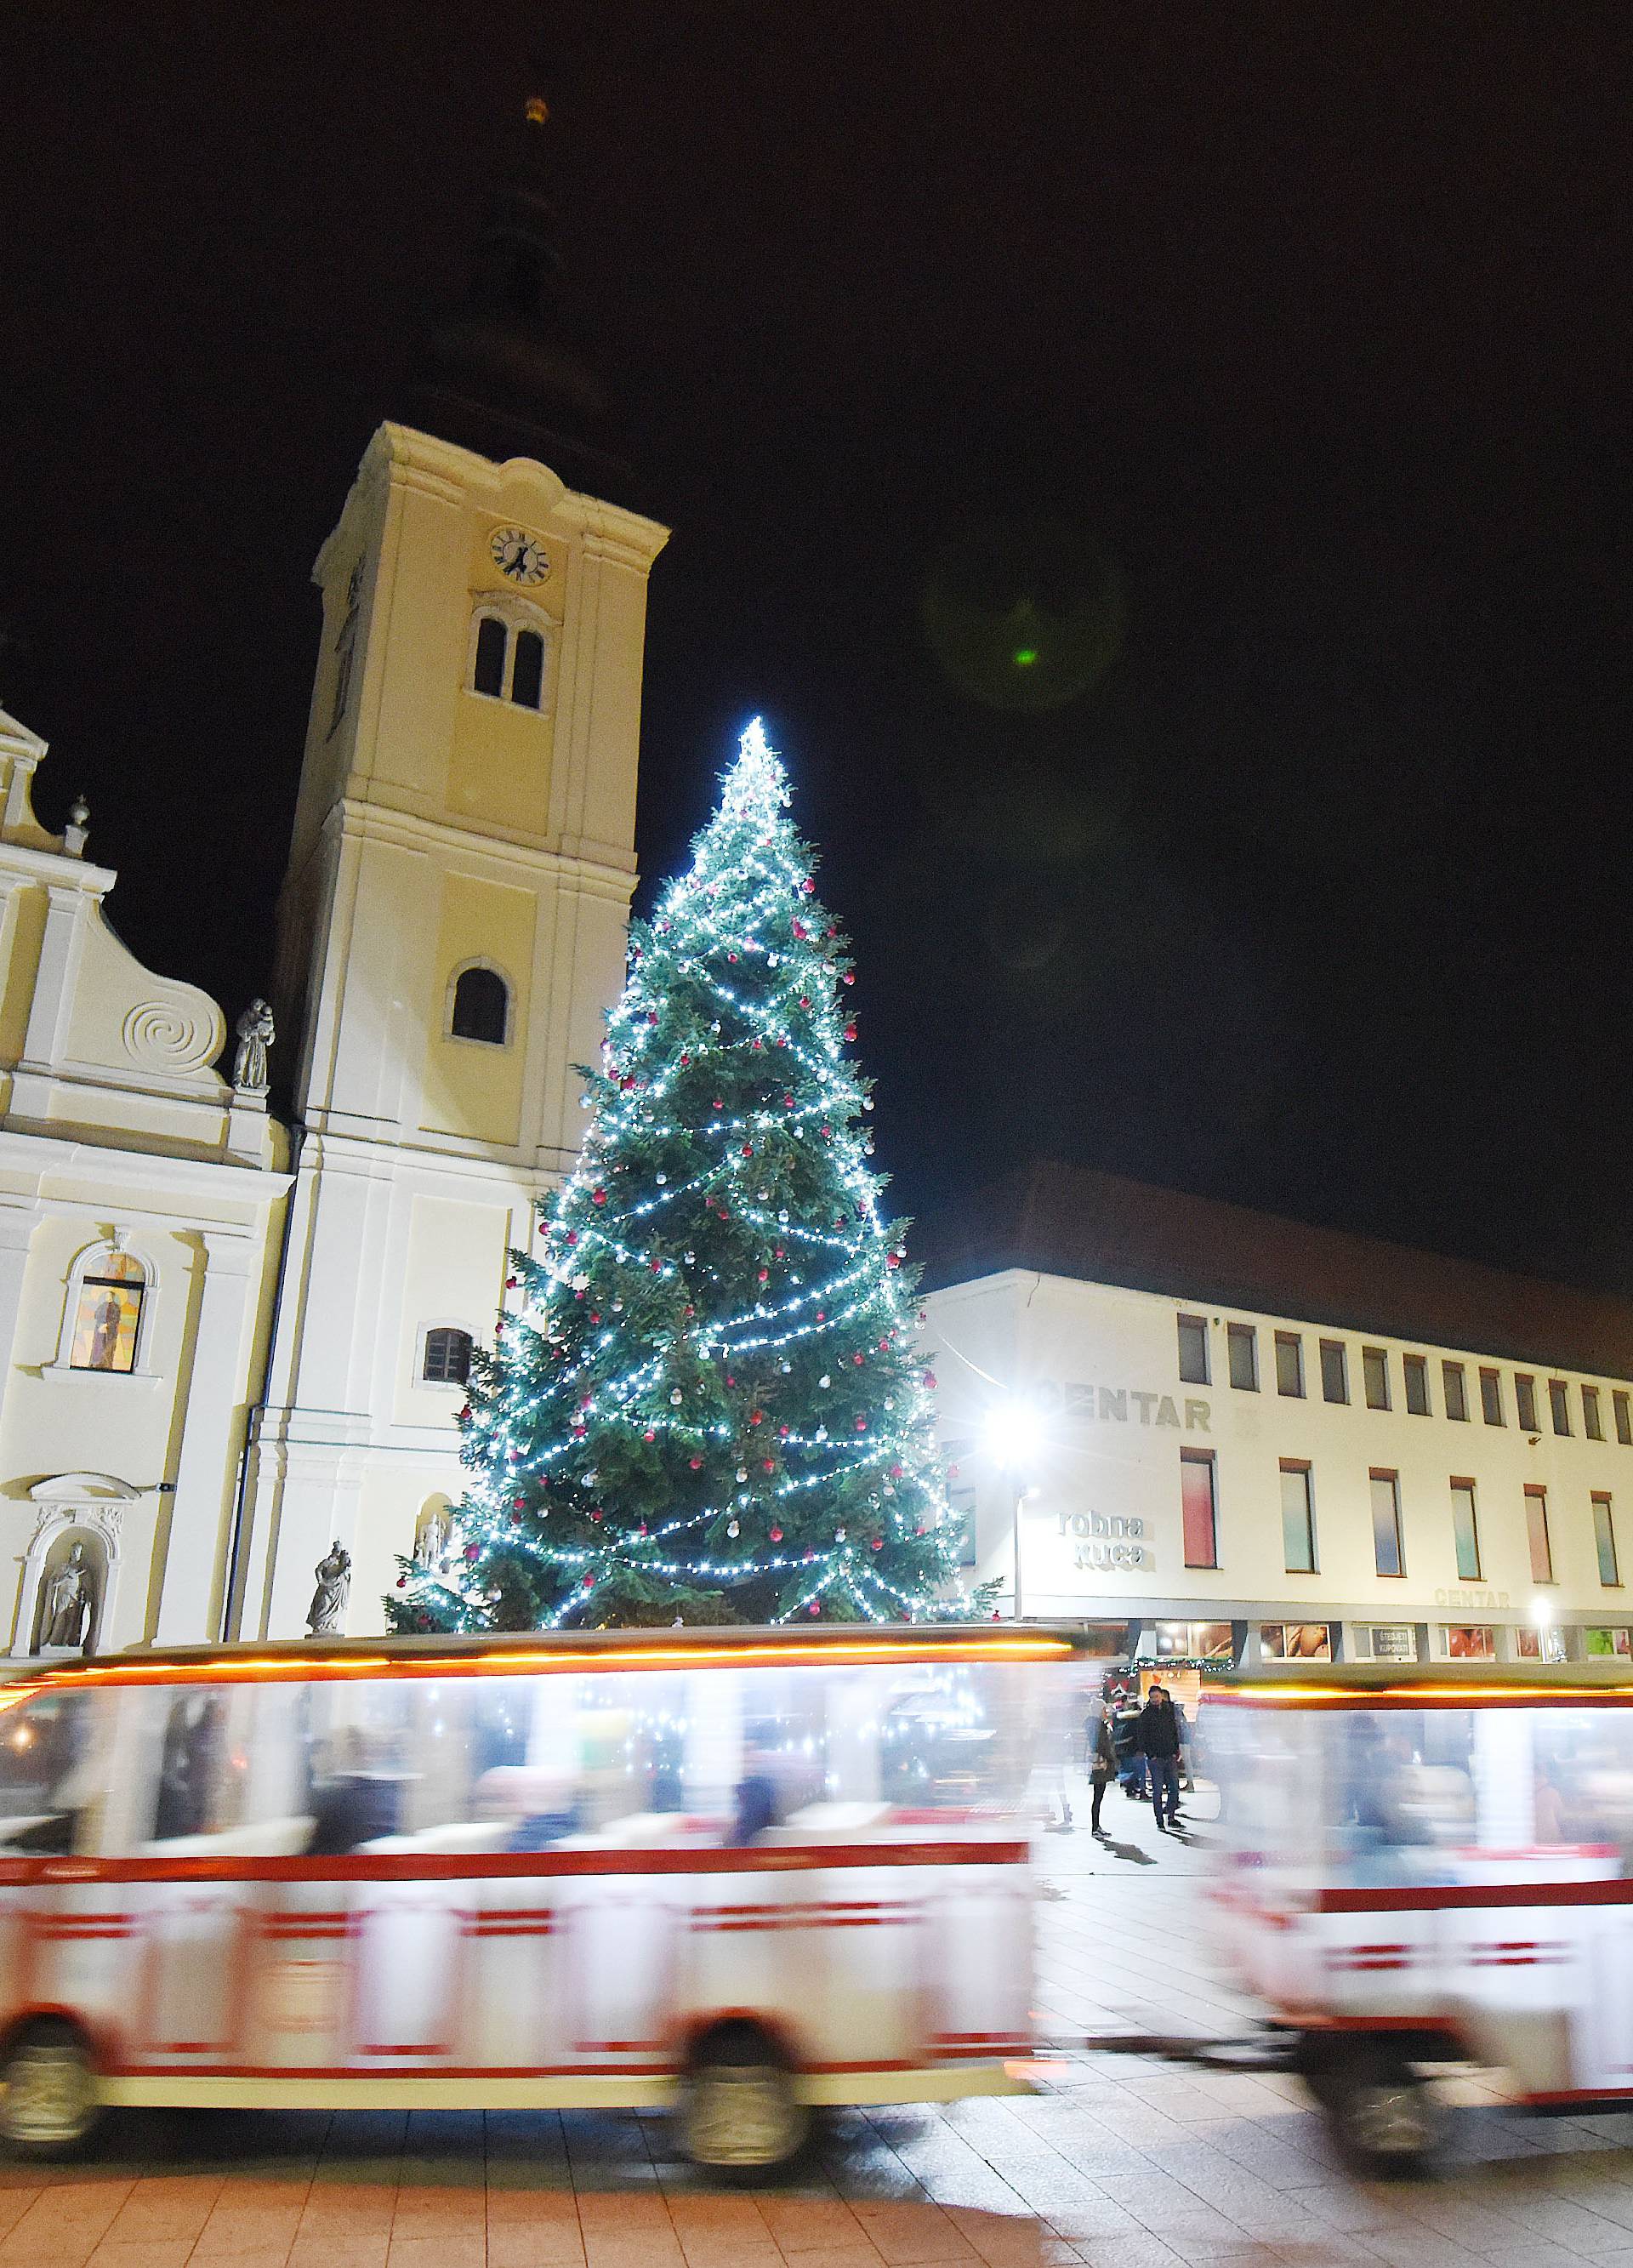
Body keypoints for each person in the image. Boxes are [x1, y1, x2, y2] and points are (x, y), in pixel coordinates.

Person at [1135, 1681, 1186, 1834]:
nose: (1155, 1700)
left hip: (1169, 1756)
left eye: (1157, 1697)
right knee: (1157, 1790)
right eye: (1153, 1698)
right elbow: (1142, 1737)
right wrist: (1150, 1754)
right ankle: (1159, 1820)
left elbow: (1174, 1731)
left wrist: (1177, 1749)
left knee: (1174, 1788)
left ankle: (1171, 1816)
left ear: (1161, 1696)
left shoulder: (1169, 1711)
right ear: (1149, 1699)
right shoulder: (1146, 1715)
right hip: (1156, 1758)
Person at [1088, 1706, 1117, 1837]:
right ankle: (1095, 1827)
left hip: (1101, 1761)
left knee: (1098, 1796)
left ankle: (1096, 1826)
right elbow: (1101, 1744)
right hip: (1101, 1763)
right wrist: (1107, 1758)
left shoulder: (1097, 1725)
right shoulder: (1097, 1726)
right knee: (1098, 1796)